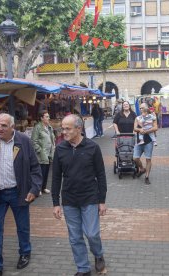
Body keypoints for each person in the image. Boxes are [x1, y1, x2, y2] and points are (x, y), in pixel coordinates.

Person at [0, 113, 42, 276]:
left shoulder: (24, 141)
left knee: (23, 227)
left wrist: (34, 189)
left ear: (12, 127)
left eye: (3, 125)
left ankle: (25, 252)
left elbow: (35, 167)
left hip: (18, 192)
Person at [51, 114, 107, 276]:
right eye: (62, 128)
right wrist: (56, 203)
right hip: (69, 200)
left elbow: (101, 175)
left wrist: (101, 200)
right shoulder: (60, 149)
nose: (63, 132)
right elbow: (55, 177)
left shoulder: (93, 147)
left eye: (67, 128)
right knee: (75, 237)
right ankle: (83, 268)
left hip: (90, 197)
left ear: (79, 129)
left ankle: (98, 254)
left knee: (92, 233)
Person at [31, 110, 55, 194]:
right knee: (40, 173)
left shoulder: (49, 127)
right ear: (41, 118)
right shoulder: (37, 127)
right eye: (47, 116)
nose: (49, 118)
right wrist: (40, 151)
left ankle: (44, 188)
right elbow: (34, 141)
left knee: (46, 172)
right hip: (41, 155)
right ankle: (38, 189)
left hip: (48, 153)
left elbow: (52, 138)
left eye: (48, 116)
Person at [133, 103, 158, 185]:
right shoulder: (137, 118)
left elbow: (155, 127)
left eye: (142, 107)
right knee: (135, 158)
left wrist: (146, 131)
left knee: (148, 159)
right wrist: (139, 130)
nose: (141, 109)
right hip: (139, 141)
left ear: (147, 108)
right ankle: (142, 169)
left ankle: (147, 177)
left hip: (149, 141)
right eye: (140, 108)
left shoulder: (152, 117)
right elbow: (135, 128)